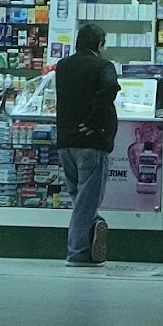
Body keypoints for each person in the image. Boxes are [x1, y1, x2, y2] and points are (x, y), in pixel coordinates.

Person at [54, 23, 120, 266]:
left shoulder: (63, 66)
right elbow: (110, 87)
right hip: (91, 143)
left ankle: (93, 225)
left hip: (65, 141)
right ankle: (77, 252)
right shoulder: (103, 66)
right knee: (87, 200)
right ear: (100, 44)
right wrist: (95, 120)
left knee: (79, 196)